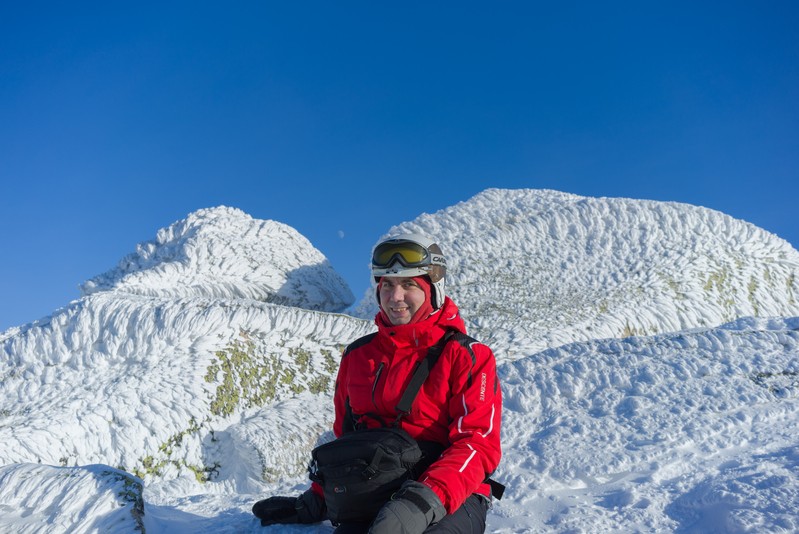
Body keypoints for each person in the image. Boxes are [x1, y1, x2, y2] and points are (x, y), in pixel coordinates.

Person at [252, 233, 503, 533]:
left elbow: (477, 444)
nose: (395, 297)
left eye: (409, 284)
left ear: (433, 289)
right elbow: (348, 442)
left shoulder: (467, 356)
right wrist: (318, 500)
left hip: (450, 496)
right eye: (387, 285)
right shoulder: (358, 356)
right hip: (374, 492)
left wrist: (420, 503)